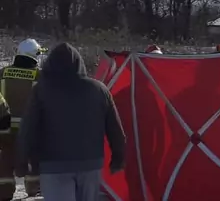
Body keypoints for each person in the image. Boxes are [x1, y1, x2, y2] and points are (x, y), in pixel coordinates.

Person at [15, 42, 126, 201]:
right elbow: (115, 129)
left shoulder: (41, 90)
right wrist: (118, 158)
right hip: (91, 164)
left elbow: (28, 129)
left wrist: (21, 162)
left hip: (53, 165)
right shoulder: (99, 90)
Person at [0, 39, 46, 199]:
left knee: (5, 159)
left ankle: (4, 191)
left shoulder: (3, 73)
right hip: (30, 129)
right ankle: (33, 188)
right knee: (33, 159)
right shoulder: (40, 76)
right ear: (34, 56)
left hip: (4, 128)